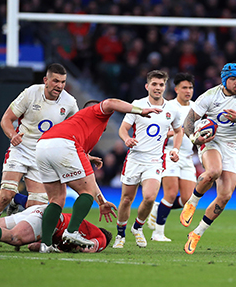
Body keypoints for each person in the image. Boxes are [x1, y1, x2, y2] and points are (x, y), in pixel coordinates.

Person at [36, 97, 164, 253]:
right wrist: (140, 110)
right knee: (86, 193)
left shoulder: (81, 127)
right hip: (65, 143)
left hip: (42, 145)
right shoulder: (97, 112)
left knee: (56, 199)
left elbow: (89, 180)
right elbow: (110, 102)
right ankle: (71, 232)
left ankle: (45, 244)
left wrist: (102, 201)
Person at [0, 63, 78, 248]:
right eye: (55, 81)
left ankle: (18, 208)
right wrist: (13, 136)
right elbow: (6, 119)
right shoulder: (30, 93)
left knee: (35, 209)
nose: (59, 86)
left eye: (63, 82)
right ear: (45, 80)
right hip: (21, 149)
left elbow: (76, 131)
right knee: (5, 195)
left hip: (43, 157)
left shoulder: (69, 103)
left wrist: (84, 154)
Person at [179, 63, 236, 254]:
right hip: (211, 140)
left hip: (232, 147)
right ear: (224, 80)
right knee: (214, 171)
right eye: (233, 79)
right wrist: (195, 139)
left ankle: (197, 233)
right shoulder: (210, 95)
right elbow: (188, 121)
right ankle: (191, 203)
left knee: (225, 196)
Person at [113, 70, 184, 249]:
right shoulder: (137, 105)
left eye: (161, 84)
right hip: (135, 158)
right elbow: (123, 128)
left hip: (155, 160)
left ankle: (138, 228)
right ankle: (120, 234)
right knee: (126, 199)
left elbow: (178, 130)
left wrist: (175, 149)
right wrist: (126, 139)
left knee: (150, 197)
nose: (158, 88)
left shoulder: (172, 109)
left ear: (165, 86)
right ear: (147, 86)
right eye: (154, 84)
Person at [147, 73, 196, 241]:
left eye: (190, 87)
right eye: (184, 87)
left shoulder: (197, 108)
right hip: (169, 153)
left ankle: (157, 208)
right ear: (176, 89)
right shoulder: (167, 107)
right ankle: (157, 233)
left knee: (188, 199)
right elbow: (158, 132)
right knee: (171, 192)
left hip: (188, 157)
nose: (188, 91)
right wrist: (176, 132)